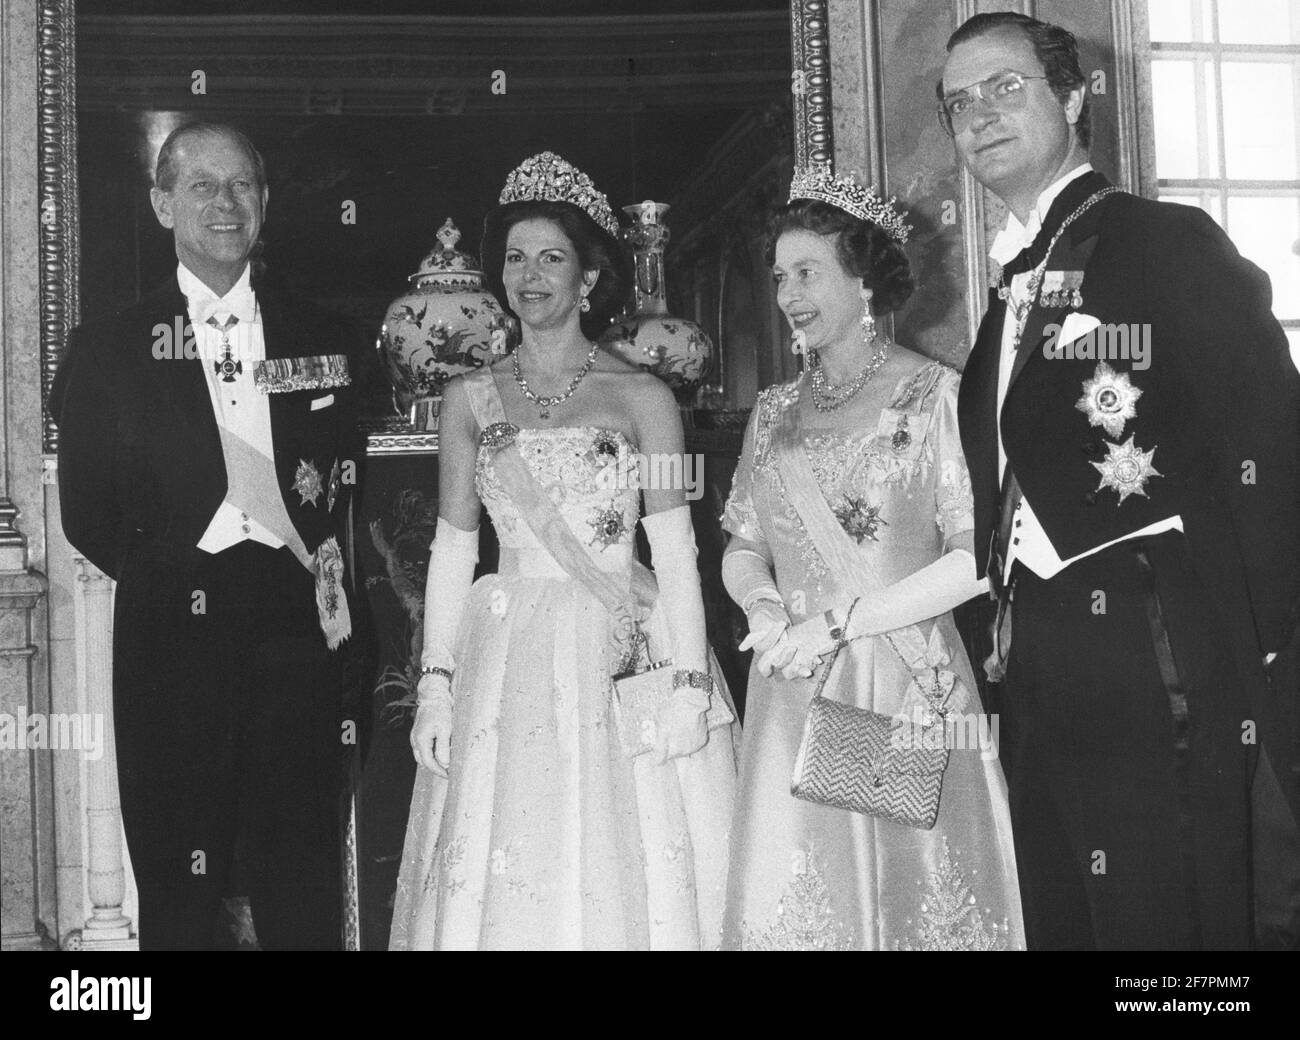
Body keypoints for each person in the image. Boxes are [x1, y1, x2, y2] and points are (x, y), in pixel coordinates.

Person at [941, 12, 1300, 949]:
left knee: (1169, 926)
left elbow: (1269, 436)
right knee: (1067, 915)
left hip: (1156, 645)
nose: (979, 115)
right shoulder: (1010, 292)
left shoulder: (1164, 242)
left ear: (1071, 96)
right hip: (1038, 658)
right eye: (958, 104)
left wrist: (1245, 641)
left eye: (1005, 87)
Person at [388, 152, 737, 950]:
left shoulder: (646, 398)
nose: (530, 275)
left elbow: (677, 552)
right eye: (515, 257)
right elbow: (452, 546)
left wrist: (688, 682)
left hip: (621, 645)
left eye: (552, 257)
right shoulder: (467, 399)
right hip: (505, 648)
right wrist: (437, 683)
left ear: (587, 277)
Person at [54, 122, 364, 949]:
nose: (226, 204)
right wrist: (179, 566)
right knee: (178, 873)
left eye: (242, 186)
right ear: (162, 205)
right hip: (171, 634)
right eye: (202, 186)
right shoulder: (110, 349)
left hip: (295, 632)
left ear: (264, 203)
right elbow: (88, 510)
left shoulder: (325, 336)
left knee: (300, 870)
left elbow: (341, 482)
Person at [718, 166, 1024, 950]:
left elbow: (973, 561)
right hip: (791, 680)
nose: (789, 292)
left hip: (905, 676)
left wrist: (845, 620)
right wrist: (761, 606)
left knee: (916, 896)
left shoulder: (936, 395)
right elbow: (743, 541)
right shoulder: (775, 410)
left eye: (809, 271)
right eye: (781, 275)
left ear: (864, 279)